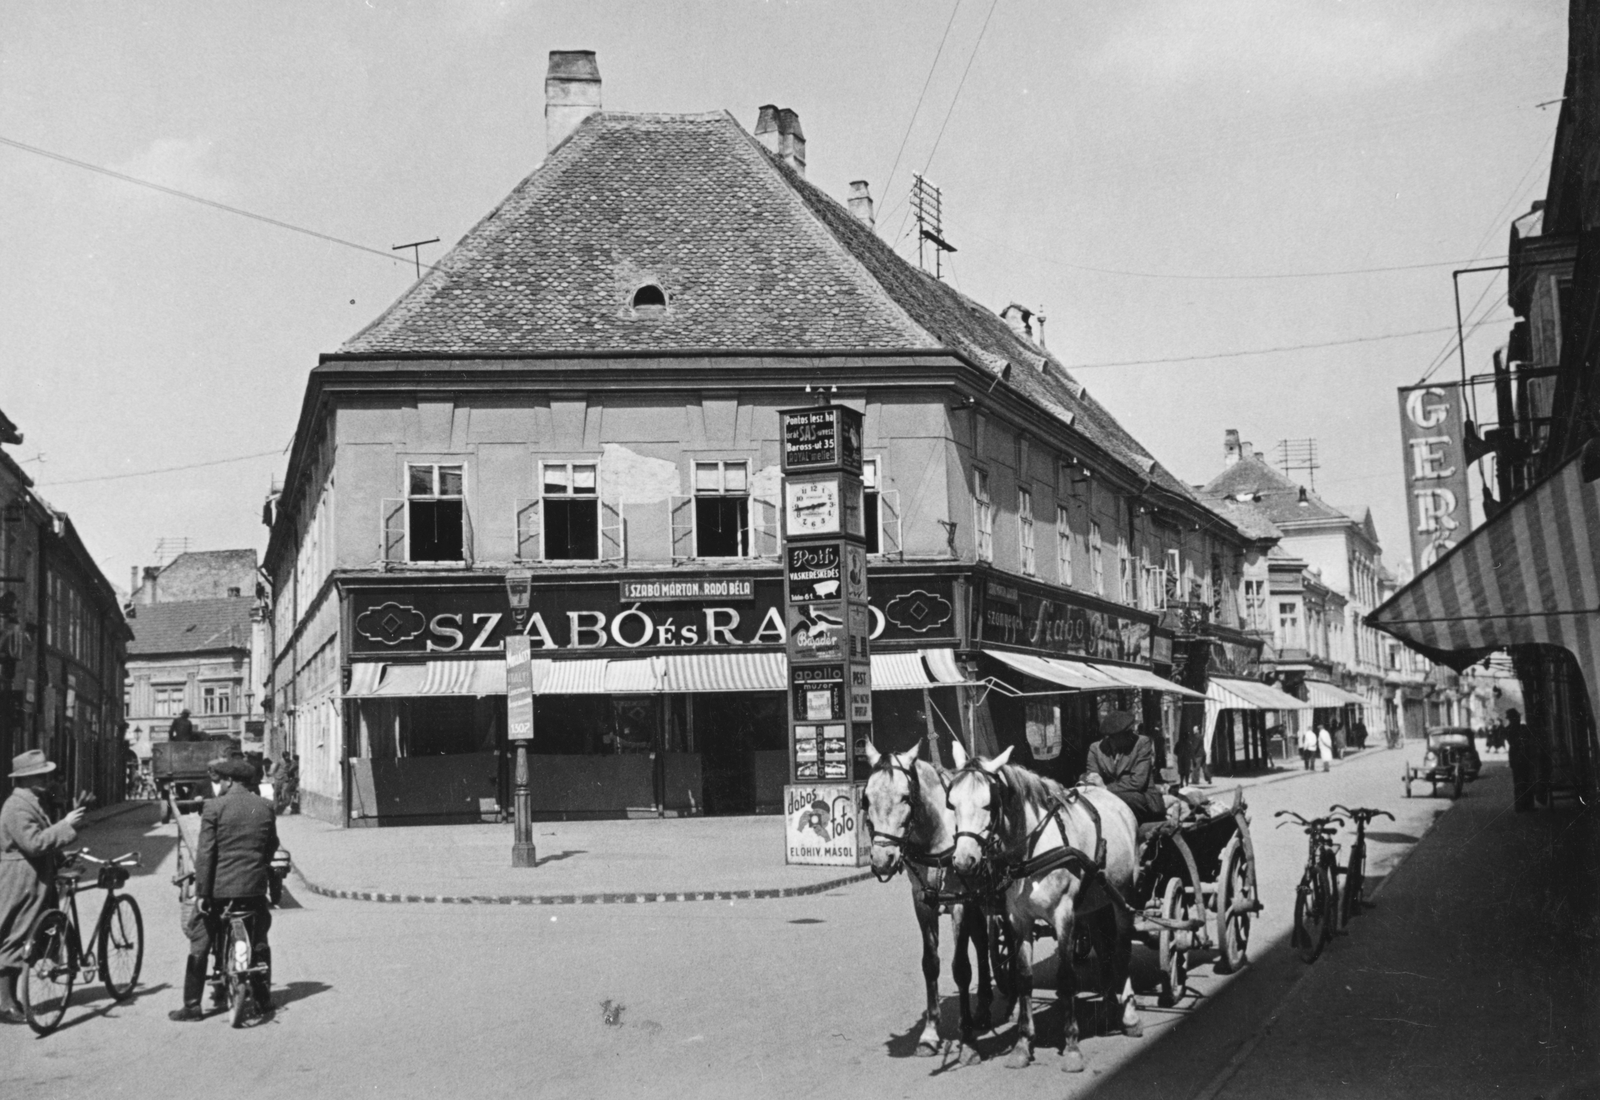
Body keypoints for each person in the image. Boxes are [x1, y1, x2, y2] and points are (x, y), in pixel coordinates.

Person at [170, 756, 278, 1022]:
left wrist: (203, 894)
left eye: (219, 781)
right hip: (253, 888)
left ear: (228, 781)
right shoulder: (264, 807)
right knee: (260, 934)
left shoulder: (215, 807)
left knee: (200, 939)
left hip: (220, 891)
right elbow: (271, 845)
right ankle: (263, 998)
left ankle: (193, 1006)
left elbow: (205, 854)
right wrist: (258, 869)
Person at [0, 751, 87, 1024]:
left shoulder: (31, 801)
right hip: (21, 879)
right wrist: (65, 824)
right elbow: (33, 843)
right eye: (40, 774)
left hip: (34, 877)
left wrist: (62, 858)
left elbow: (42, 843)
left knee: (27, 934)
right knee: (15, 935)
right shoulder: (16, 806)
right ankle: (4, 1004)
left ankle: (10, 999)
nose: (46, 779)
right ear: (25, 778)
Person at [1083, 711, 1167, 824]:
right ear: (1111, 737)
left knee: (1116, 801)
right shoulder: (1096, 748)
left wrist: (1105, 788)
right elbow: (1092, 777)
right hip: (1110, 797)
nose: (1131, 735)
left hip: (1143, 800)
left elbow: (1138, 782)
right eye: (1126, 733)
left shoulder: (1142, 742)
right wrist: (1092, 780)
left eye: (1131, 731)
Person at [1503, 709, 1536, 812]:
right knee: (1523, 781)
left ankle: (1523, 805)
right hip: (1520, 755)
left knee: (1521, 781)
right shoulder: (1519, 729)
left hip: (1517, 755)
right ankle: (1524, 806)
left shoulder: (1510, 729)